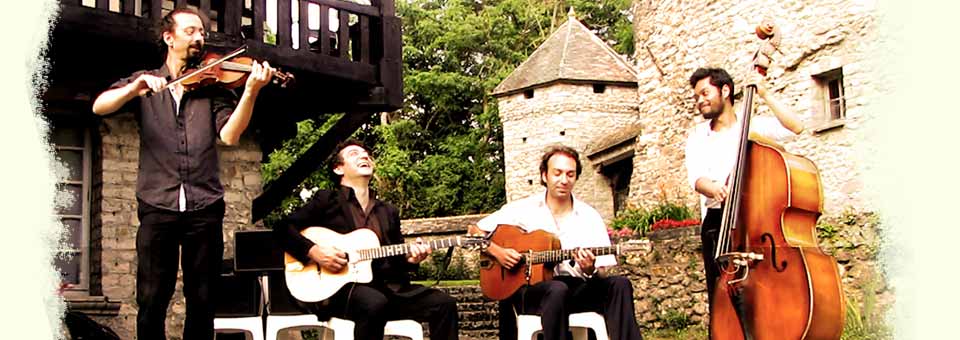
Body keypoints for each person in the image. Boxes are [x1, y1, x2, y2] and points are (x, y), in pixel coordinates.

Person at [91, 6, 275, 340]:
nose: (199, 38)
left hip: (204, 207)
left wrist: (250, 92)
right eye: (190, 31)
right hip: (156, 204)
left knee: (203, 301)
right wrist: (133, 89)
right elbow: (99, 105)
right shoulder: (144, 81)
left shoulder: (214, 87)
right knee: (151, 299)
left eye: (202, 32)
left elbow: (230, 136)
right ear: (168, 37)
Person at [273, 139, 459, 339]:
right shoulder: (327, 200)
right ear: (338, 169)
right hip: (340, 289)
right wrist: (314, 252)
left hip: (387, 289)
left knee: (444, 304)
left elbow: (396, 258)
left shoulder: (388, 211)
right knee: (374, 303)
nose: (364, 156)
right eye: (354, 154)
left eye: (366, 154)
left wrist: (411, 259)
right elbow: (282, 228)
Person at [473, 145, 643, 340]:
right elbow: (474, 231)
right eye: (558, 173)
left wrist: (590, 270)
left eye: (570, 174)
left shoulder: (589, 216)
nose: (564, 180)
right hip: (532, 291)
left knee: (620, 285)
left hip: (575, 289)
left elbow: (601, 271)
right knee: (556, 289)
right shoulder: (522, 209)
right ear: (545, 175)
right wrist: (497, 252)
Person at [683, 67, 804, 311]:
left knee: (764, 293)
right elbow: (696, 178)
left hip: (757, 220)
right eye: (696, 97)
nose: (700, 101)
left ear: (725, 90)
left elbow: (797, 127)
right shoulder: (697, 135)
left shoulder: (752, 125)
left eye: (705, 93)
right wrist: (714, 188)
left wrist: (766, 94)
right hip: (719, 221)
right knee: (721, 295)